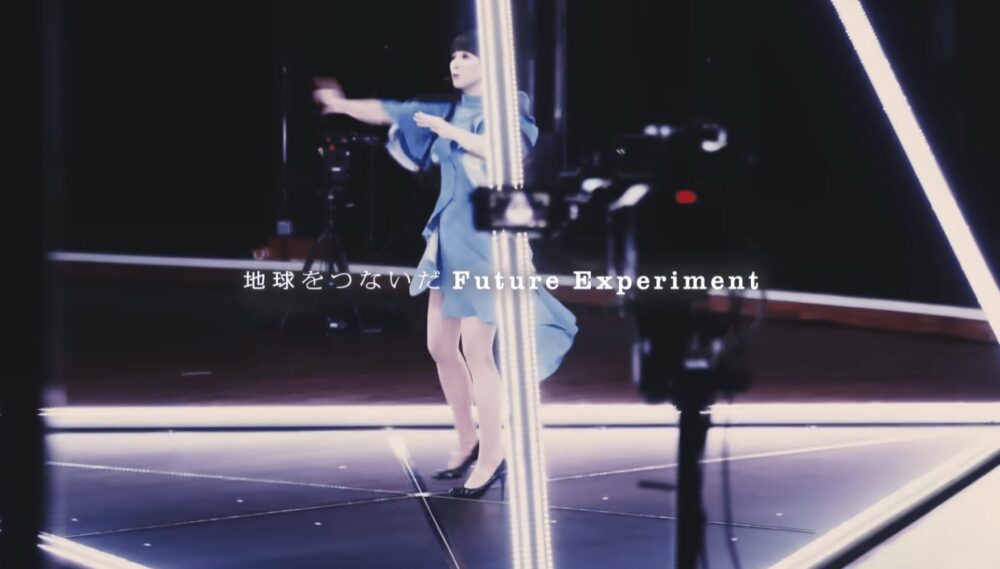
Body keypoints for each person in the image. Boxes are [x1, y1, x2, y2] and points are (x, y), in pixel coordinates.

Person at [314, 30, 577, 498]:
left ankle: (493, 456)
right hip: (447, 241)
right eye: (453, 55)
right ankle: (468, 440)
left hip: (486, 245)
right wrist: (341, 104)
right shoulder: (448, 110)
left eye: (466, 55)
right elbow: (390, 110)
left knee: (479, 353)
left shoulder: (508, 109)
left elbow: (506, 154)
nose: (455, 63)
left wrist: (450, 133)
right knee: (439, 346)